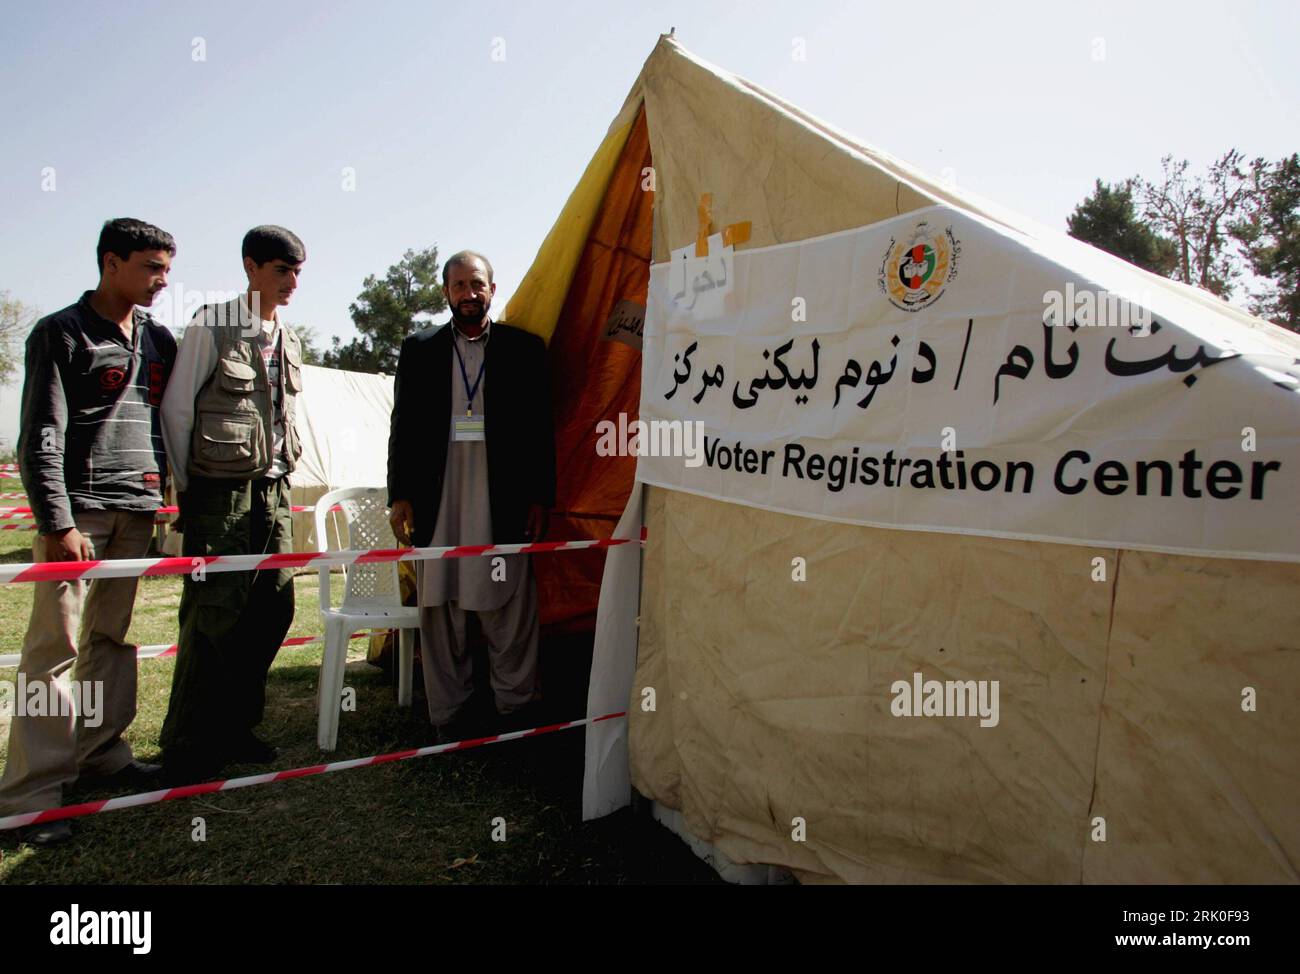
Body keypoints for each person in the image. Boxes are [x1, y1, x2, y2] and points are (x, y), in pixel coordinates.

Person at [0, 218, 178, 844]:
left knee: (110, 639)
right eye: (151, 267)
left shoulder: (158, 338)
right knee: (54, 652)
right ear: (110, 262)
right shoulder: (60, 332)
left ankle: (101, 751)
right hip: (79, 516)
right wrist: (57, 520)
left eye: (166, 268)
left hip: (138, 511)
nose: (162, 280)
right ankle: (30, 796)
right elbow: (40, 436)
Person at [157, 226, 307, 781]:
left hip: (275, 488)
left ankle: (236, 727)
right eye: (281, 270)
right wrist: (188, 493)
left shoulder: (287, 336)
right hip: (219, 490)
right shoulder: (211, 324)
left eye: (296, 272)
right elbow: (177, 410)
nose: (291, 282)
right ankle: (188, 744)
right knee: (214, 613)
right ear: (251, 267)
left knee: (274, 605)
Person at [387, 251, 555, 740]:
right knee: (440, 605)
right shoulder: (420, 349)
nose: (468, 293)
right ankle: (450, 714)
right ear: (445, 292)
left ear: (491, 289)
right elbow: (403, 427)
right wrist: (400, 494)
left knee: (509, 603)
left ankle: (516, 707)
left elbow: (541, 431)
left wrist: (540, 496)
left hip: (502, 499)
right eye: (458, 285)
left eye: (476, 284)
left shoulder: (525, 350)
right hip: (439, 499)